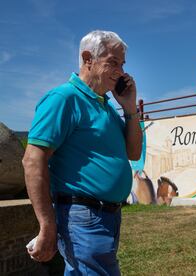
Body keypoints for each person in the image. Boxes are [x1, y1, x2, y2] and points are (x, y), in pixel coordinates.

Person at [22, 30, 142, 275]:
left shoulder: (104, 105)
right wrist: (47, 225)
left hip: (106, 216)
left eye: (122, 64)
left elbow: (133, 151)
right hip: (83, 216)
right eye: (113, 63)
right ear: (88, 59)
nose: (120, 72)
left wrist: (129, 108)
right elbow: (33, 161)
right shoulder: (64, 98)